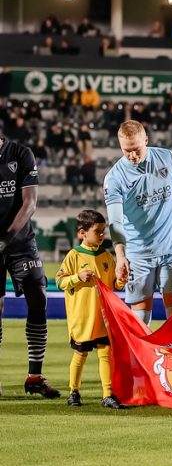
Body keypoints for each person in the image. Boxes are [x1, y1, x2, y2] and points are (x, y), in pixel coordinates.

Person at [104, 121, 172, 329]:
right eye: (126, 151)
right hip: (138, 256)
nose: (132, 156)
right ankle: (144, 363)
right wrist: (120, 256)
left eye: (136, 149)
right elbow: (115, 222)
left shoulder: (167, 158)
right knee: (140, 324)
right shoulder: (114, 178)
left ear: (146, 140)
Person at [0, 132, 59, 398]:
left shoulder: (20, 154)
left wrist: (6, 238)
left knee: (38, 295)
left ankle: (34, 377)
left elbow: (30, 203)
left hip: (20, 241)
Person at [55, 210, 126, 408]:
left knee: (105, 353)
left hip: (103, 317)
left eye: (104, 231)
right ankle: (74, 391)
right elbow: (60, 281)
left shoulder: (106, 256)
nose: (102, 235)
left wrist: (121, 279)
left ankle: (107, 394)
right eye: (98, 231)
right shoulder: (74, 256)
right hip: (82, 317)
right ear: (82, 233)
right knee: (80, 355)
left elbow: (114, 284)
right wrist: (77, 277)